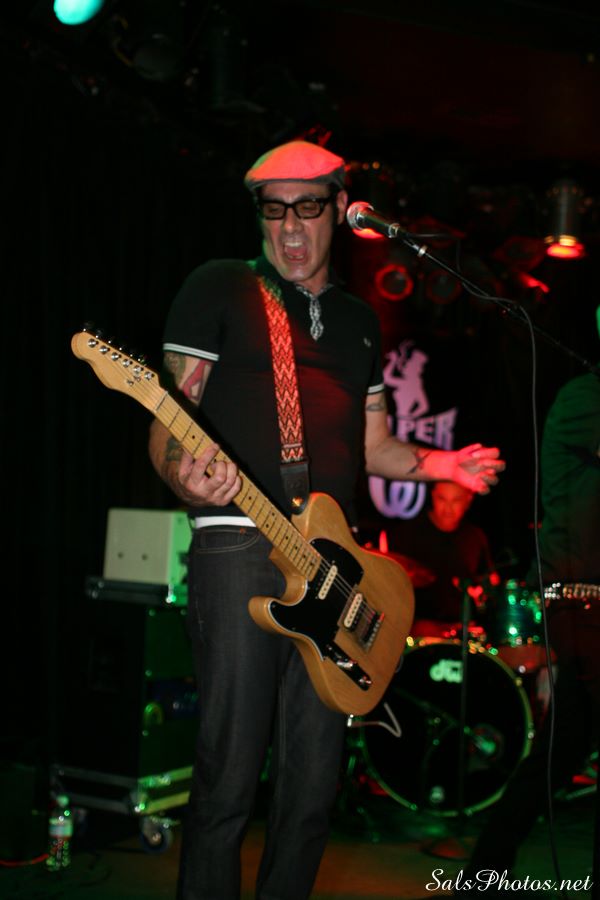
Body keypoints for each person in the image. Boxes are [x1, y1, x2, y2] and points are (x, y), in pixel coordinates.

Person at [147, 139, 505, 900]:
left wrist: (443, 465)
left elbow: (374, 446)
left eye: (307, 209)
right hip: (239, 544)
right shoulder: (220, 286)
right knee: (228, 777)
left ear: (341, 210)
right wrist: (184, 473)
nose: (290, 229)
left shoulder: (359, 321)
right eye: (274, 211)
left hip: (335, 569)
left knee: (312, 790)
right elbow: (169, 413)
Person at [458, 304, 600, 892]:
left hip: (591, 604)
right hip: (584, 602)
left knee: (560, 751)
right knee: (560, 749)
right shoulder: (586, 397)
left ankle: (485, 871)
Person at [386, 480, 497, 639]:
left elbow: (487, 581)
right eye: (442, 499)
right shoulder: (407, 534)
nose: (448, 508)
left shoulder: (475, 537)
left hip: (463, 629)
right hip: (419, 630)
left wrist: (483, 591)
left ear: (468, 500)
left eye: (456, 500)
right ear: (432, 496)